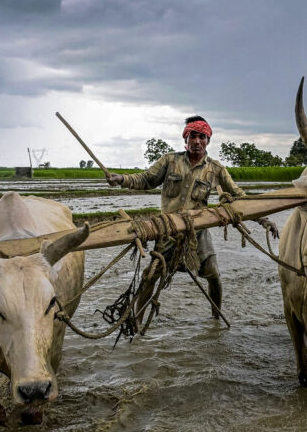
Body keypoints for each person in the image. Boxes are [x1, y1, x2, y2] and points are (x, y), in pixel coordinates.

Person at [106, 115, 278, 319]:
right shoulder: (170, 161)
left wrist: (263, 219)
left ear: (208, 141)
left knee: (213, 274)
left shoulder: (215, 169)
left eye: (202, 137)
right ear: (186, 139)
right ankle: (136, 322)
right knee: (150, 276)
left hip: (198, 232)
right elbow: (146, 179)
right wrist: (122, 179)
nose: (197, 141)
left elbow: (239, 198)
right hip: (168, 231)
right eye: (193, 136)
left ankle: (216, 318)